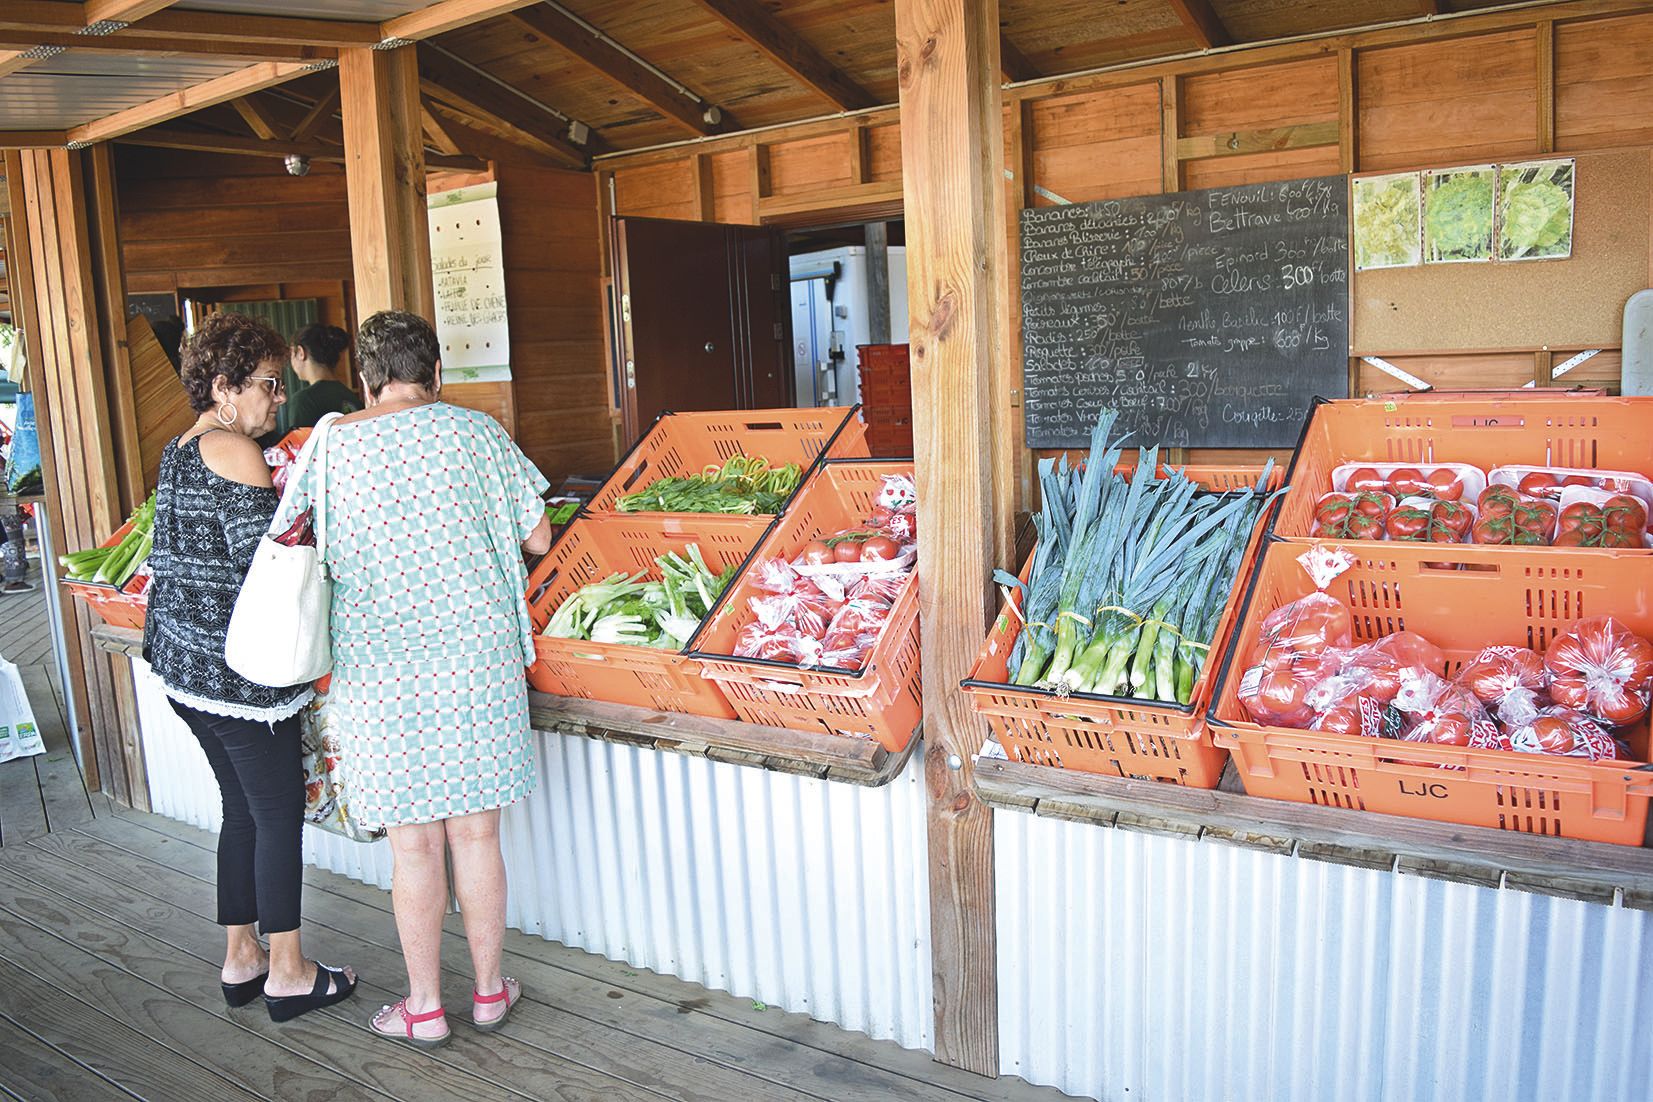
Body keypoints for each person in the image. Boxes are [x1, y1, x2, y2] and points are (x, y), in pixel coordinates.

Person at [271, 310, 552, 1049]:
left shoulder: (331, 444)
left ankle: (424, 1006)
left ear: (363, 379)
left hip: (378, 667)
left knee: (414, 846)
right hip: (474, 658)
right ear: (435, 376)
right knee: (478, 834)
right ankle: (490, 993)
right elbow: (538, 535)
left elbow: (289, 537)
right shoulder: (476, 432)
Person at [144, 312, 357, 1023]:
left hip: (185, 671)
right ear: (224, 386)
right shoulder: (235, 450)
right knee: (276, 816)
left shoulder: (181, 447)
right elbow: (272, 564)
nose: (275, 399)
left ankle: (242, 956)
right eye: (266, 386)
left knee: (241, 811)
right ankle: (290, 970)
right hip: (242, 680)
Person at [284, 324, 361, 430]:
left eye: (291, 354)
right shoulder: (352, 397)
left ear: (301, 352)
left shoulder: (304, 401)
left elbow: (301, 445)